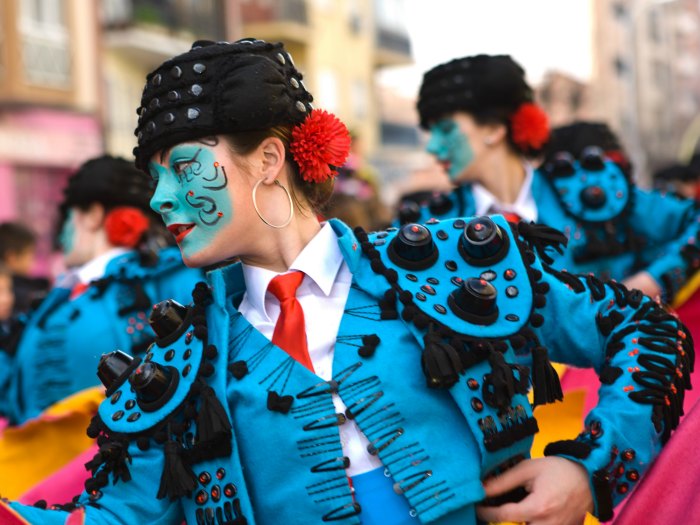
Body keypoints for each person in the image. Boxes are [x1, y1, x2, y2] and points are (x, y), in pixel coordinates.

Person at [1, 39, 692, 525]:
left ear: (270, 158)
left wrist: (589, 468)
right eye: (156, 178)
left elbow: (646, 326)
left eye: (182, 167)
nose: (161, 200)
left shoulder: (452, 264)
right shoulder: (179, 363)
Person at [402, 55, 700, 304]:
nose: (432, 146)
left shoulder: (591, 192)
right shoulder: (433, 230)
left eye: (445, 130)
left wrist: (649, 281)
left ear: (493, 129)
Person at [0, 155, 203, 499]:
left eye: (68, 218)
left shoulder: (168, 274)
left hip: (126, 485)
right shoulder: (58, 298)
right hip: (37, 484)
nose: (62, 234)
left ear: (92, 215)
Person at [0, 221, 50, 315]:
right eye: (29, 253)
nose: (7, 299)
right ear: (12, 258)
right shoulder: (22, 295)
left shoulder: (31, 286)